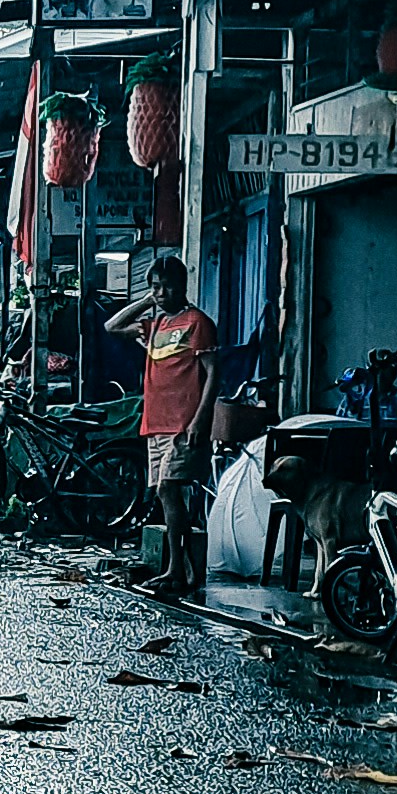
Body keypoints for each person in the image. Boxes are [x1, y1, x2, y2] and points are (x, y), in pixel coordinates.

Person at [130, 251, 219, 591]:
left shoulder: (197, 323)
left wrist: (200, 419)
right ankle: (184, 568)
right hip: (155, 422)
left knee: (169, 487)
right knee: (164, 495)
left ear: (182, 286)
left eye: (167, 286)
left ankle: (175, 569)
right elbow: (112, 326)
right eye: (156, 287)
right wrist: (145, 301)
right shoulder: (156, 326)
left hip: (184, 422)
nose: (161, 293)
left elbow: (213, 375)